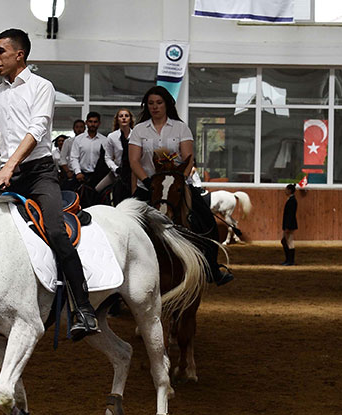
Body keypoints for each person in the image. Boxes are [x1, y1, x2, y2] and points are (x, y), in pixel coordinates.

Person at [0, 28, 99, 340]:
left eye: (0, 51)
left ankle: (83, 308)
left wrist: (9, 166)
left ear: (20, 55)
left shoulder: (42, 87)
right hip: (8, 174)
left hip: (40, 173)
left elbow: (37, 128)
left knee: (56, 231)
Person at [128, 85, 233, 286]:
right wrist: (150, 182)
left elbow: (188, 158)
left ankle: (212, 267)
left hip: (177, 185)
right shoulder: (139, 130)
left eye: (159, 103)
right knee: (125, 222)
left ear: (167, 104)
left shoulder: (180, 128)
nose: (155, 107)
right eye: (151, 103)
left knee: (206, 219)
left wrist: (179, 180)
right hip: (148, 186)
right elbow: (134, 161)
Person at [69, 111, 109, 190]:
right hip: (81, 176)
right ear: (86, 123)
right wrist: (78, 172)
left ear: (99, 123)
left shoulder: (104, 140)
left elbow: (107, 158)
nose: (93, 124)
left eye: (95, 122)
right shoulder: (78, 139)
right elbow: (74, 158)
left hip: (98, 176)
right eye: (90, 122)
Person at [104, 108, 134, 205]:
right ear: (117, 120)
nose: (124, 118)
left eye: (126, 116)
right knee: (97, 189)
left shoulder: (136, 135)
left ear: (130, 119)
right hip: (118, 172)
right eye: (121, 116)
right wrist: (115, 169)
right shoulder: (112, 136)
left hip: (133, 172)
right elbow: (107, 157)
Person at [58, 119, 86, 187]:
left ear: (85, 128)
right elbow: (62, 158)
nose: (79, 129)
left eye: (81, 127)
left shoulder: (87, 141)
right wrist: (68, 172)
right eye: (77, 127)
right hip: (71, 172)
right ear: (73, 129)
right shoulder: (68, 142)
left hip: (85, 171)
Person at [281, 183, 298, 265]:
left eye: (286, 189)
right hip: (288, 224)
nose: (285, 191)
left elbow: (290, 215)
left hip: (289, 224)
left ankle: (290, 260)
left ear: (290, 190)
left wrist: (287, 226)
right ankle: (288, 259)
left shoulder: (292, 201)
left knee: (289, 241)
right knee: (285, 241)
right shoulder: (291, 200)